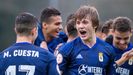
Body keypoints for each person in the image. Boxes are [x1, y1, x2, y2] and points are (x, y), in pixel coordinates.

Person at [56, 5, 133, 75]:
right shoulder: (67, 49)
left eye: (85, 22)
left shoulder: (108, 50)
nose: (80, 26)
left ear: (95, 25)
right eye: (78, 23)